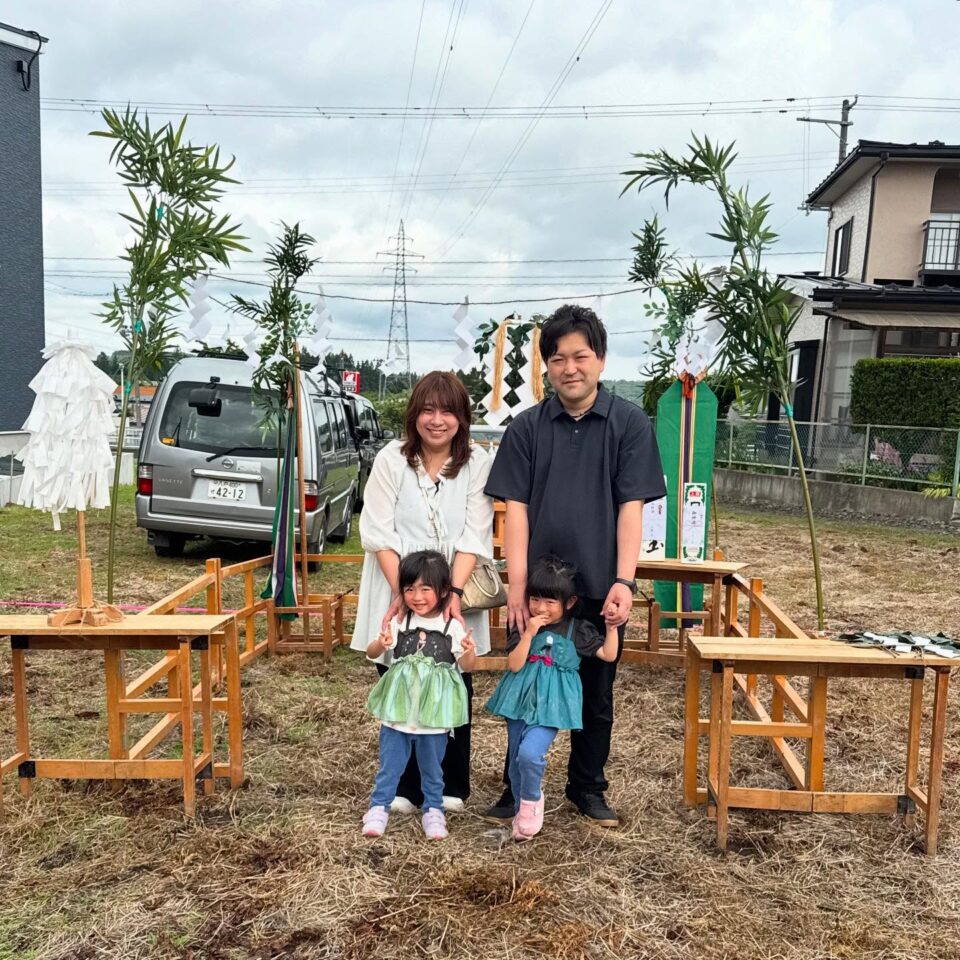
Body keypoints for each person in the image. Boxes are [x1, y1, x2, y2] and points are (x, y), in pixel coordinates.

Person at [483, 304, 666, 827]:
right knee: (525, 687)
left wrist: (624, 581)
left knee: (596, 690)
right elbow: (514, 509)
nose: (570, 368)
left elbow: (632, 508)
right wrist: (516, 585)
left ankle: (587, 787)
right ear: (546, 366)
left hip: (599, 586)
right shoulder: (528, 427)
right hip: (540, 590)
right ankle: (515, 789)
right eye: (558, 358)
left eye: (580, 356)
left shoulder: (628, 423)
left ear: (601, 360)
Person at [350, 371, 493, 812]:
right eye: (428, 410)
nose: (437, 420)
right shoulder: (392, 459)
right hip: (395, 578)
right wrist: (405, 592)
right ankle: (406, 786)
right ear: (414, 415)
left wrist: (449, 594)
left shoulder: (476, 461)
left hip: (454, 581)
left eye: (447, 411)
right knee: (401, 673)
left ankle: (452, 784)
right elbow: (378, 531)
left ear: (462, 417)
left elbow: (474, 534)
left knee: (452, 677)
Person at [485, 555, 619, 841]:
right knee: (516, 757)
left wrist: (612, 628)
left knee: (530, 754)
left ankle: (533, 802)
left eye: (550, 602)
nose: (540, 608)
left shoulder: (577, 631)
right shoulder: (524, 625)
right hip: (518, 700)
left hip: (551, 706)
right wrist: (529, 632)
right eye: (535, 599)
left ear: (568, 603)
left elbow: (608, 655)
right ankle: (522, 807)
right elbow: (514, 665)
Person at [362, 550, 477, 840]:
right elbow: (372, 653)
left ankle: (433, 809)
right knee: (390, 763)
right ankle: (378, 807)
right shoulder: (401, 621)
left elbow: (466, 666)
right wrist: (380, 642)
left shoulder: (452, 626)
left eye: (426, 589)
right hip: (398, 712)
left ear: (443, 591)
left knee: (433, 766)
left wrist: (469, 650)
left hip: (433, 715)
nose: (417, 596)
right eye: (410, 588)